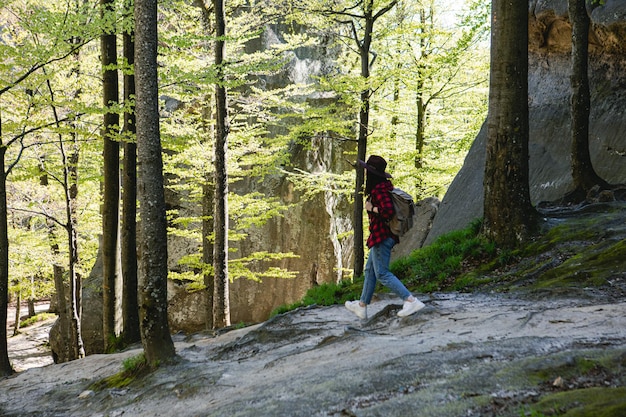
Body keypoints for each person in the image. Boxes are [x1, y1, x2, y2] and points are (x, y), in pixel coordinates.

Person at [345, 155, 425, 320]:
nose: (366, 174)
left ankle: (411, 300)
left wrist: (371, 208)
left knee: (382, 273)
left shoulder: (379, 191)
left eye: (367, 171)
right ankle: (362, 306)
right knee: (370, 271)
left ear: (371, 175)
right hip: (380, 236)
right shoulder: (384, 187)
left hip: (382, 237)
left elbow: (388, 212)